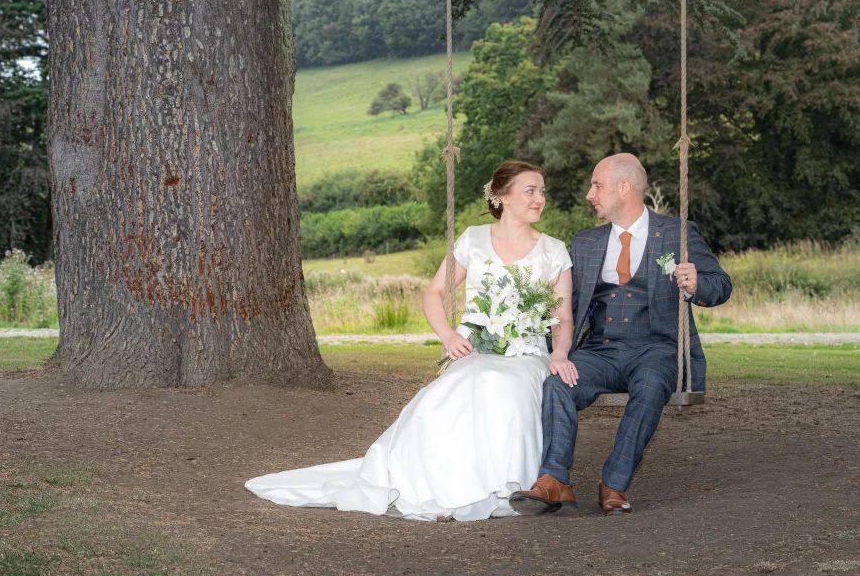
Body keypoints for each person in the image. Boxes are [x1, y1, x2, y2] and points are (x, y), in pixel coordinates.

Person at [245, 161, 577, 521]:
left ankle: (506, 484)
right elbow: (434, 293)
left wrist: (559, 354)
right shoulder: (474, 239)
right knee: (453, 387)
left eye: (542, 191)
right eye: (531, 190)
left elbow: (563, 316)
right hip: (477, 349)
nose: (540, 198)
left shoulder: (553, 250)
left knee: (501, 384)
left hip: (526, 354)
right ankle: (432, 478)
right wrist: (449, 336)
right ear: (502, 196)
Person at [510, 153, 732, 517]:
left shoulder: (676, 233)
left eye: (597, 185)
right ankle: (554, 480)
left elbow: (721, 285)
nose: (589, 194)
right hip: (599, 350)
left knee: (650, 387)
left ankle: (613, 483)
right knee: (557, 384)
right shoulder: (585, 242)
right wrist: (547, 347)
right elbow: (564, 304)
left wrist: (696, 285)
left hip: (656, 348)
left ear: (624, 188)